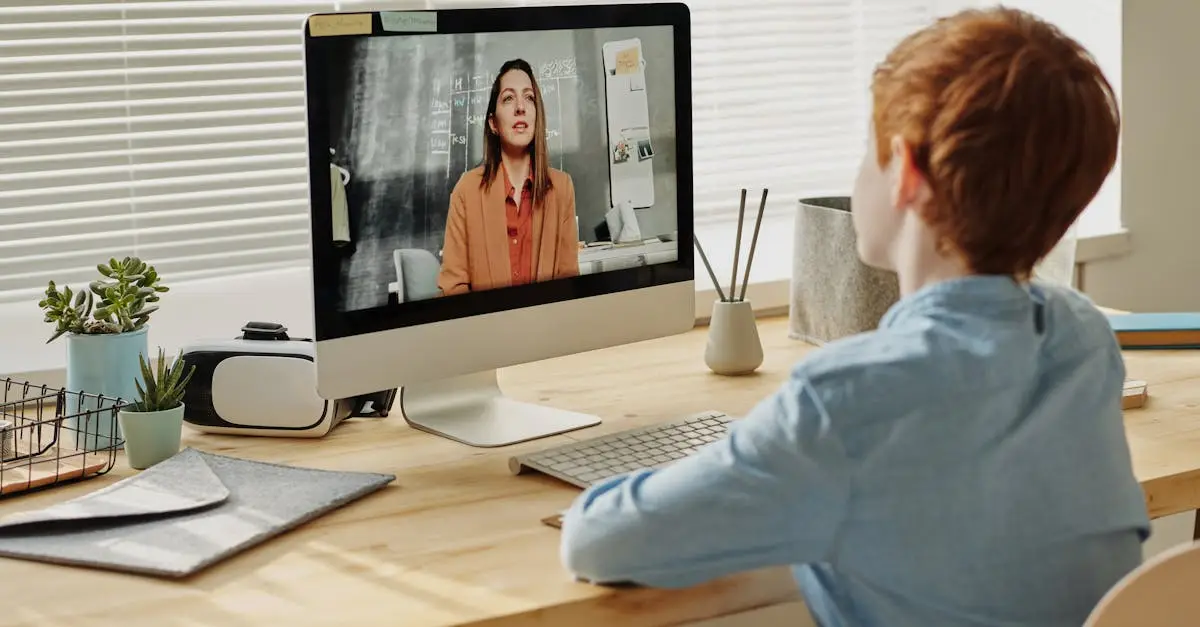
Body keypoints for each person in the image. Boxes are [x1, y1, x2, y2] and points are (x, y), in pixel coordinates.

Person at [558, 8, 1150, 627]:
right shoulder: (1081, 339)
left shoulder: (845, 400)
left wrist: (721, 464)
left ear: (907, 174)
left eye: (867, 152)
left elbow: (597, 542)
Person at [437, 58, 580, 297]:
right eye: (508, 98)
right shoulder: (466, 191)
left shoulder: (562, 189)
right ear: (493, 123)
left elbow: (568, 285)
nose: (520, 107)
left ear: (537, 115)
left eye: (529, 97)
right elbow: (454, 288)